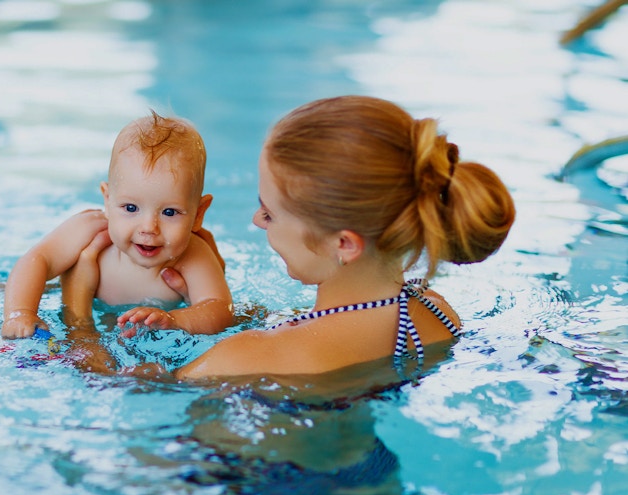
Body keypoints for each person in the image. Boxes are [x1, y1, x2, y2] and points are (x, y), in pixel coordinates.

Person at [65, 95, 516, 379]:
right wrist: (224, 308)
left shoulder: (244, 359)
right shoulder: (437, 313)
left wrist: (80, 323)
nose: (258, 222)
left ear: (344, 245)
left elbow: (115, 382)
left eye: (271, 213)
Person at [0, 110, 234, 342]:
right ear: (108, 200)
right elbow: (37, 259)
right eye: (131, 208)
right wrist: (20, 312)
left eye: (169, 212)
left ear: (198, 214)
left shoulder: (194, 256)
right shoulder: (89, 230)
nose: (149, 228)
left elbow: (220, 309)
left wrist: (176, 320)